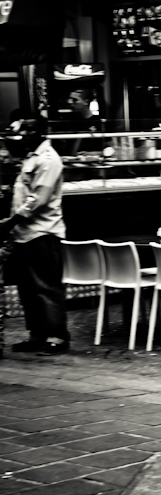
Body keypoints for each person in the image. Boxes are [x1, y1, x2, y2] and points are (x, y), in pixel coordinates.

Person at [0, 115, 70, 356]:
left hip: (43, 233)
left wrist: (11, 221)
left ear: (43, 130)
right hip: (24, 234)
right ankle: (37, 335)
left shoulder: (49, 159)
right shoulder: (31, 157)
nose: (26, 134)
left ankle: (57, 337)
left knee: (46, 288)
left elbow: (37, 198)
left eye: (31, 129)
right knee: (28, 290)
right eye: (24, 130)